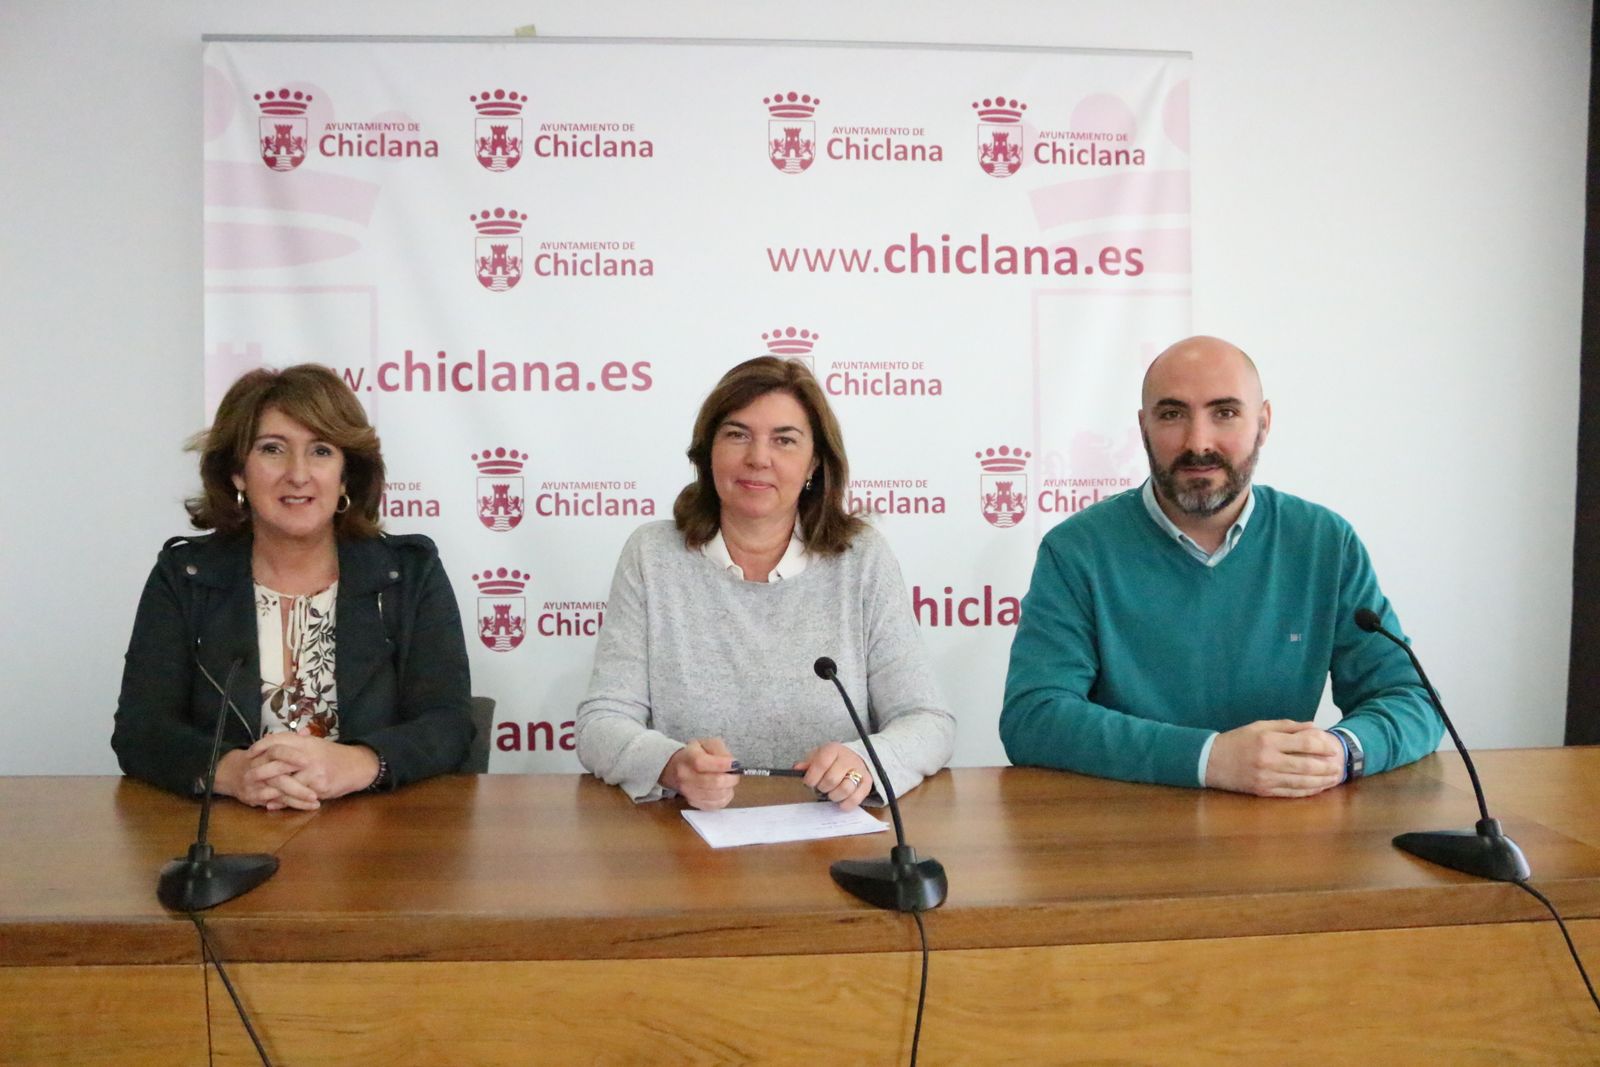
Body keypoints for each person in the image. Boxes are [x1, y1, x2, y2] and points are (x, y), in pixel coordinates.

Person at [1000, 336, 1442, 796]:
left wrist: (1342, 751)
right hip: (1125, 823)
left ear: (1263, 424)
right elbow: (1034, 717)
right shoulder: (1076, 550)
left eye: (1225, 413)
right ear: (1143, 427)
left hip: (1280, 824)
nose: (1198, 443)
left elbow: (1412, 699)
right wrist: (1209, 759)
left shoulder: (1324, 542)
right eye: (1172, 414)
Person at [576, 356, 954, 811]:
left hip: (833, 830)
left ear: (815, 462)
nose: (758, 458)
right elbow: (601, 723)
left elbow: (928, 722)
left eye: (784, 440)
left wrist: (865, 763)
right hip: (687, 836)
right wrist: (669, 765)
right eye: (737, 435)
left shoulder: (861, 558)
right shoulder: (652, 555)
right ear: (708, 452)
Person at [112, 364, 473, 808]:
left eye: (321, 451)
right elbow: (141, 729)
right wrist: (233, 772)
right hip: (229, 829)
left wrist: (358, 763)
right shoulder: (185, 576)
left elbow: (449, 723)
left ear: (345, 474)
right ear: (238, 472)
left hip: (377, 828)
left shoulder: (409, 574)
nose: (298, 474)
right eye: (273, 449)